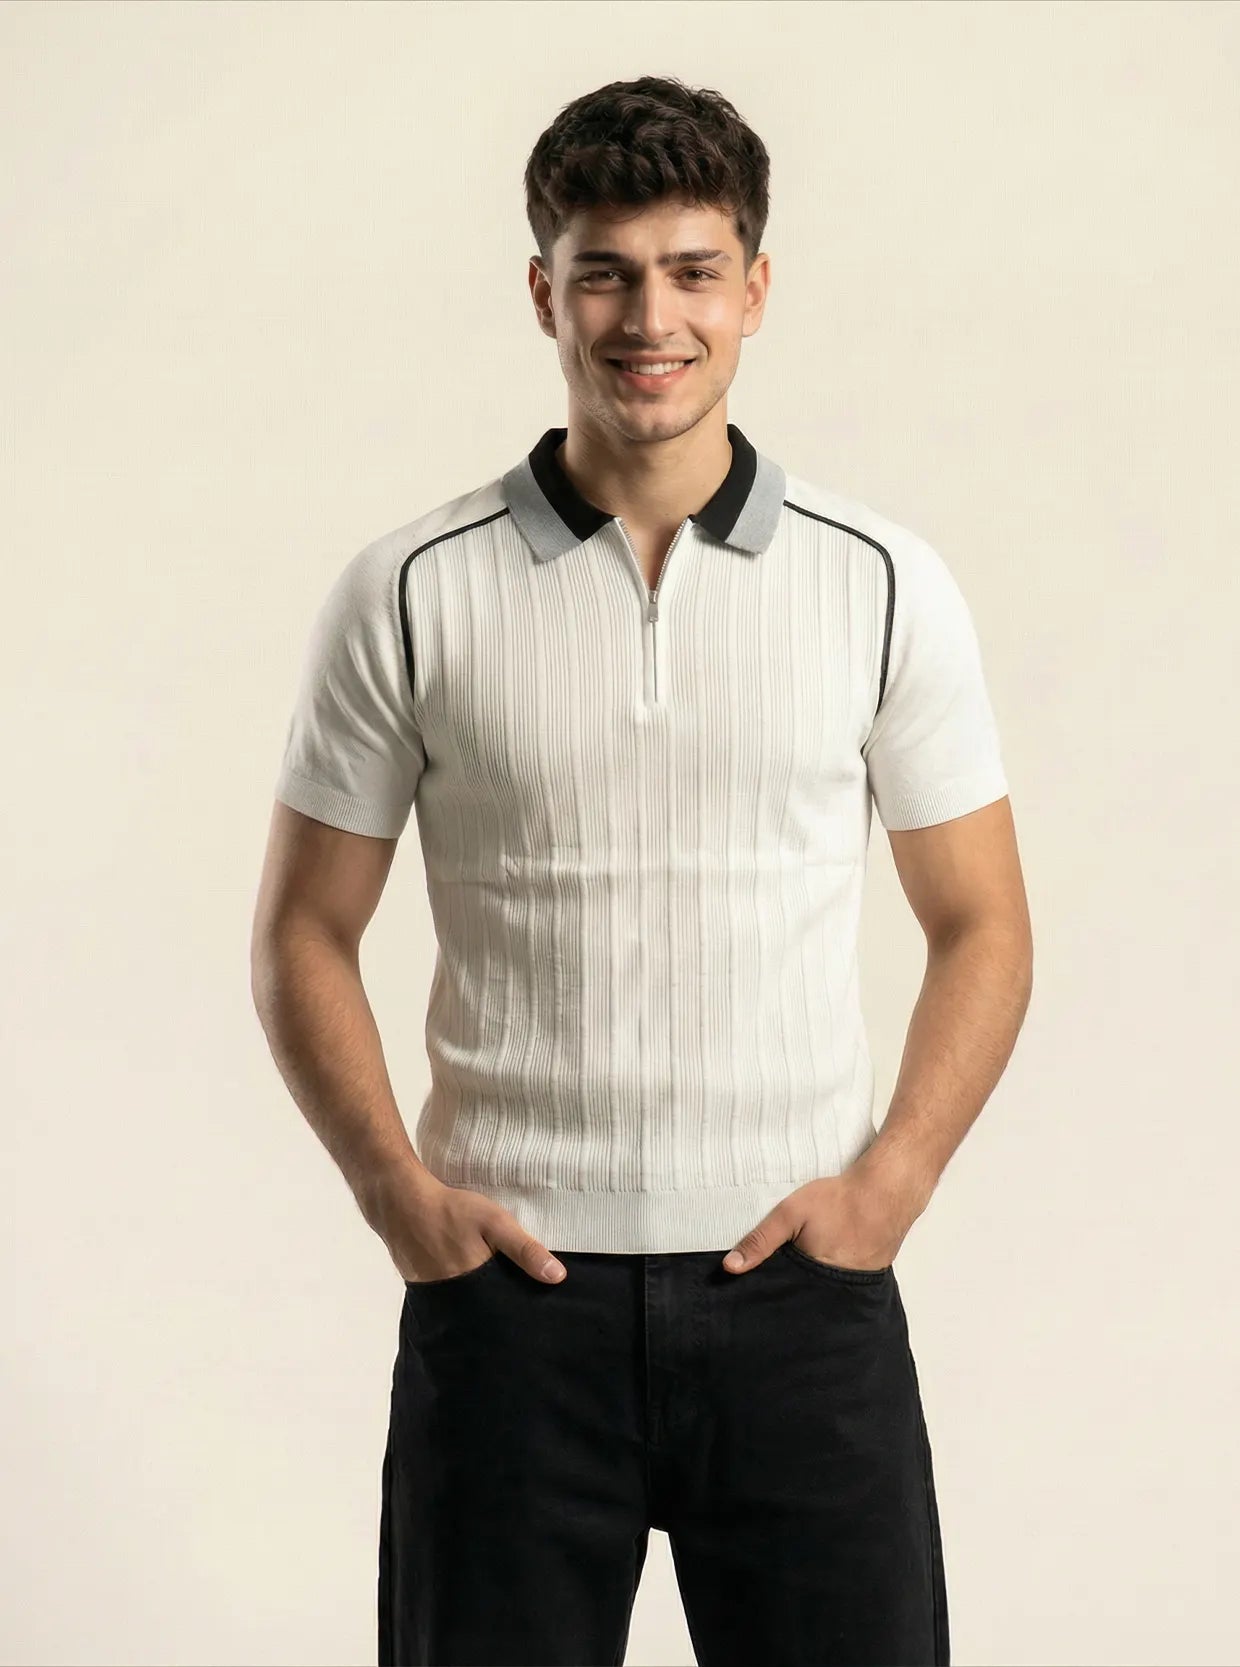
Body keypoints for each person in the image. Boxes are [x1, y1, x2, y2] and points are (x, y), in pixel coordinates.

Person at [251, 73, 1033, 1667]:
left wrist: (891, 1185)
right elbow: (305, 933)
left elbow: (983, 924)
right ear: (546, 292)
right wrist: (397, 1196)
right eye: (605, 272)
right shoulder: (411, 589)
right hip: (509, 1310)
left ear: (756, 287)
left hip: (801, 1300)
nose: (649, 318)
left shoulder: (881, 583)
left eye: (692, 271)